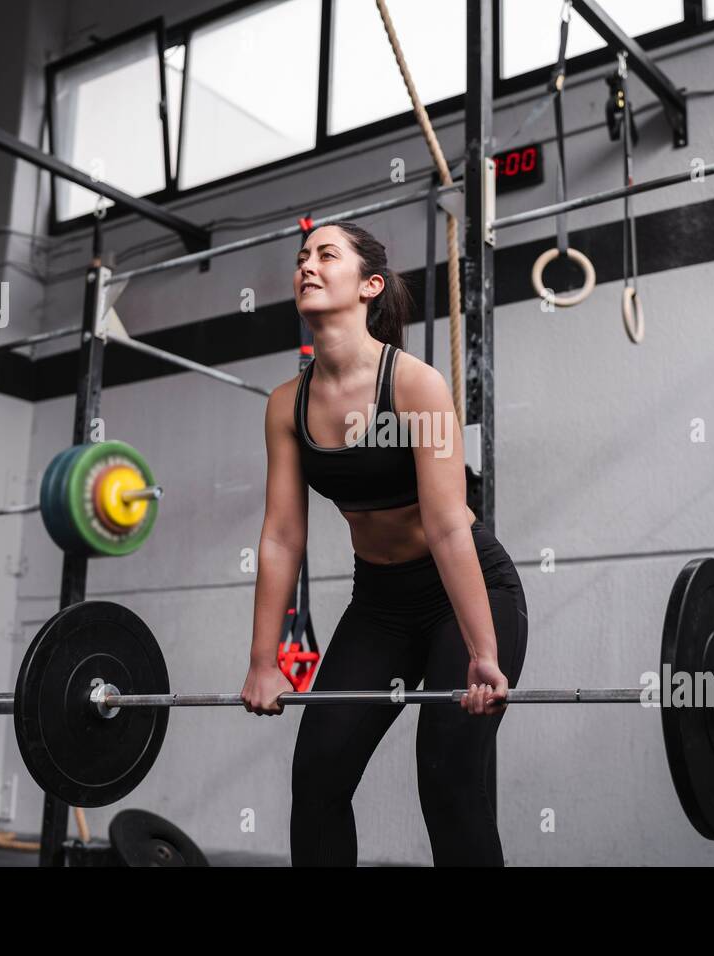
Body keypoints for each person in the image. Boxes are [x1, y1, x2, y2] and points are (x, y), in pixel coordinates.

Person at [241, 221, 529, 867]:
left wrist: (483, 650)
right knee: (316, 777)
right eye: (301, 258)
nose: (308, 266)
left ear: (370, 285)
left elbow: (449, 525)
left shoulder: (415, 384)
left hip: (466, 591)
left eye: (326, 255)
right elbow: (283, 536)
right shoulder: (286, 404)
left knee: (450, 783)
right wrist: (265, 660)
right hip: (379, 605)